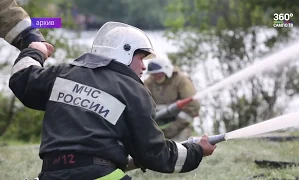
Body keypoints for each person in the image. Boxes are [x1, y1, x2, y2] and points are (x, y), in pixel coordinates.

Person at [9, 21, 216, 180]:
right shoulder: (133, 91)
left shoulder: (63, 73)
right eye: (141, 58)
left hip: (51, 173)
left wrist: (36, 50)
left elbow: (22, 78)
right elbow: (154, 154)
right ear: (124, 52)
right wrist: (197, 150)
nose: (144, 67)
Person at [144, 54, 201, 142]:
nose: (156, 77)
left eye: (159, 74)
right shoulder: (148, 83)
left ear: (167, 70)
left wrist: (172, 129)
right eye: (153, 74)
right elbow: (143, 105)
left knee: (181, 151)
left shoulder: (182, 81)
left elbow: (192, 107)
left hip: (180, 127)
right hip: (157, 127)